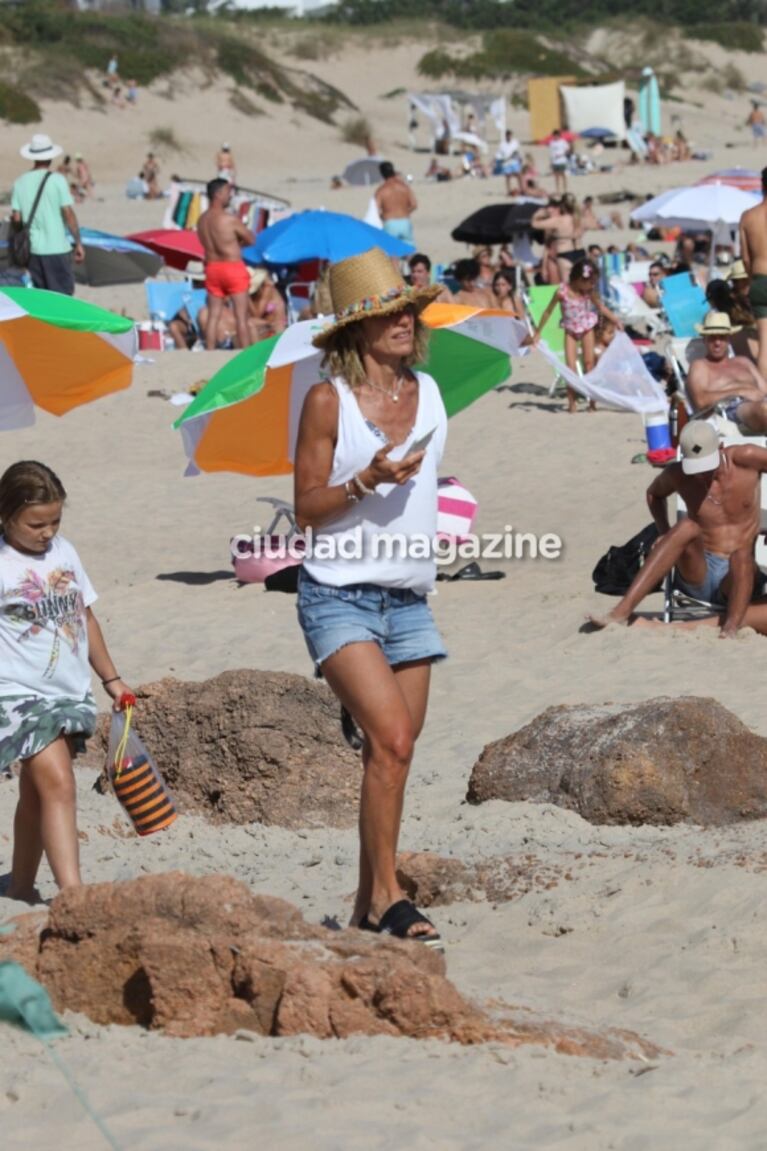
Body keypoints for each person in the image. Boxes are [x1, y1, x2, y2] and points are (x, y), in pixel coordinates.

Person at [293, 247, 447, 948]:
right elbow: (305, 505)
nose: (403, 322)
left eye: (407, 311)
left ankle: (362, 902)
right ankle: (390, 895)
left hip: (409, 598)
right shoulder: (327, 400)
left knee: (394, 753)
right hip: (337, 595)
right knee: (388, 737)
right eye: (388, 314)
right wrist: (366, 481)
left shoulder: (432, 393)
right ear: (357, 330)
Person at [0, 461, 132, 901]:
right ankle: (73, 895)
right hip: (17, 693)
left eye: (55, 520)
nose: (47, 532)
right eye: (35, 523)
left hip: (68, 690)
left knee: (38, 793)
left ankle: (19, 889)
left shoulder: (64, 552)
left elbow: (85, 615)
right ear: (6, 515)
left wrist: (111, 678)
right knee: (58, 781)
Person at [588, 422, 767, 638]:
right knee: (687, 526)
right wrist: (664, 531)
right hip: (697, 572)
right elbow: (654, 494)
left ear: (720, 448)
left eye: (706, 467)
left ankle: (730, 628)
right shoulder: (679, 474)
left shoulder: (745, 458)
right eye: (696, 468)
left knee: (741, 553)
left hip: (738, 576)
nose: (700, 476)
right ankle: (621, 612)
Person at [530, 258, 623, 413]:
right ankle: (572, 403)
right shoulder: (562, 292)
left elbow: (600, 307)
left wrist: (616, 320)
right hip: (570, 331)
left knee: (589, 364)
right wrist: (538, 331)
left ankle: (592, 402)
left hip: (586, 327)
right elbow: (548, 311)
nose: (592, 285)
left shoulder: (589, 292)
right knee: (570, 368)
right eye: (590, 282)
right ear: (579, 279)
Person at [11, 133, 84, 295]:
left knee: (43, 299)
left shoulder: (20, 182)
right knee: (63, 298)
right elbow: (68, 214)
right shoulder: (58, 180)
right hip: (57, 248)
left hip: (33, 252)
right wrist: (78, 242)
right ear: (50, 157)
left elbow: (16, 218)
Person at [197, 177, 254, 351]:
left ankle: (210, 351)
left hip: (212, 268)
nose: (230, 196)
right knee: (241, 316)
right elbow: (251, 239)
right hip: (232, 267)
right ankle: (245, 354)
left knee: (214, 315)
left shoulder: (201, 220)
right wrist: (237, 244)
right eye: (228, 192)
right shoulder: (228, 219)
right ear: (218, 194)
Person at [686, 312, 767, 432]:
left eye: (722, 337)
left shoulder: (743, 361)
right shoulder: (700, 366)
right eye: (712, 337)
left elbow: (764, 389)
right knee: (763, 409)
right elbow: (700, 401)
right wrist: (740, 392)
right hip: (733, 408)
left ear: (728, 339)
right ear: (704, 339)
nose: (717, 343)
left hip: (761, 401)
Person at [739, 167, 767, 378]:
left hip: (759, 279)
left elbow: (746, 258)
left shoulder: (748, 217)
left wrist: (751, 280)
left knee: (765, 345)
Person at [374, 161, 417, 243]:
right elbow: (414, 204)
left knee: (392, 253)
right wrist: (405, 211)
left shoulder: (381, 190)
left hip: (390, 222)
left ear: (382, 173)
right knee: (408, 252)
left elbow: (375, 209)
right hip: (404, 221)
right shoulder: (404, 187)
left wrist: (382, 216)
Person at [247, 267, 287, 341]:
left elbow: (257, 314)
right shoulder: (256, 293)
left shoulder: (267, 289)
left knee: (250, 323)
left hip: (277, 325)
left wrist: (246, 297)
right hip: (267, 325)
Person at [495, 130, 522, 195]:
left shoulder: (515, 142)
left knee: (518, 175)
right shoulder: (502, 144)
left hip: (514, 161)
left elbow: (518, 151)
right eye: (508, 135)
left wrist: (520, 158)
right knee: (508, 177)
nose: (509, 137)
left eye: (510, 135)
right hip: (506, 163)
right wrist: (500, 160)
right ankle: (509, 190)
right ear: (506, 136)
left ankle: (521, 189)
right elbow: (499, 153)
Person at [548, 129, 570, 196]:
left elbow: (568, 149)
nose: (555, 137)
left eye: (556, 135)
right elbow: (551, 152)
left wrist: (561, 154)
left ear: (559, 135)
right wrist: (551, 161)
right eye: (554, 135)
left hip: (562, 160)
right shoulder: (552, 142)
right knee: (556, 177)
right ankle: (558, 190)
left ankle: (565, 190)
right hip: (555, 161)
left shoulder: (563, 142)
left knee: (563, 175)